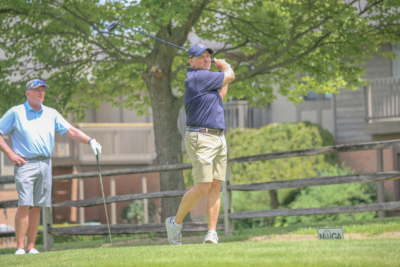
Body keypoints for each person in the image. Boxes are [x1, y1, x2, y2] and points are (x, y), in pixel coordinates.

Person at [0, 79, 102, 255]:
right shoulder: (16, 112)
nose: (41, 93)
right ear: (27, 93)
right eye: (37, 90)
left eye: (43, 90)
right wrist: (10, 153)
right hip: (25, 163)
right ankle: (20, 247)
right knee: (25, 203)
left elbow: (71, 131)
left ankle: (31, 247)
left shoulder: (51, 113)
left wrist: (90, 141)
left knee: (37, 206)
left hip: (46, 164)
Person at [165, 44, 235, 245]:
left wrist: (222, 75)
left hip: (218, 137)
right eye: (200, 57)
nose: (205, 60)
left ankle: (211, 233)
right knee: (203, 186)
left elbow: (219, 97)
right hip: (201, 137)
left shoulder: (205, 81)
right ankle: (175, 223)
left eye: (207, 57)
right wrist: (225, 67)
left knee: (215, 185)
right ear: (191, 61)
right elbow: (230, 76)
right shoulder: (197, 77)